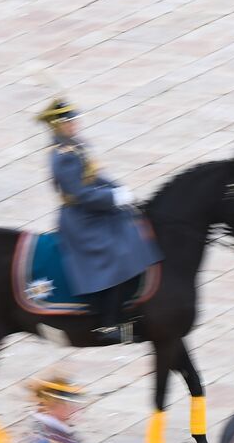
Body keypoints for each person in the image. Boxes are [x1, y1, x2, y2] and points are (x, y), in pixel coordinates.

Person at [37, 97, 161, 345]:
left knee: (132, 228)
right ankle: (108, 322)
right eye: (67, 122)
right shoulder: (63, 156)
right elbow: (80, 194)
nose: (73, 124)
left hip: (95, 210)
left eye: (73, 119)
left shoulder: (76, 146)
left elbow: (96, 176)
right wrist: (112, 197)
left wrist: (118, 190)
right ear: (57, 127)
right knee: (116, 252)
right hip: (81, 218)